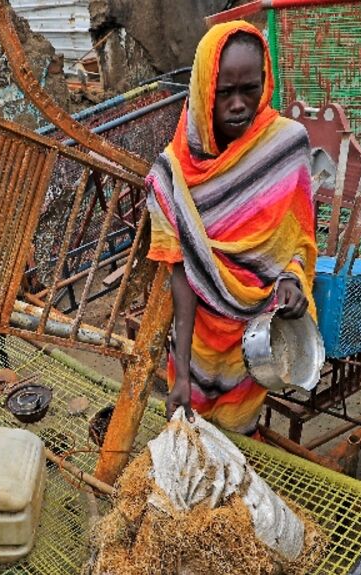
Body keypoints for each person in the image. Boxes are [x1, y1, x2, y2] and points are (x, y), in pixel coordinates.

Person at [145, 21, 317, 435]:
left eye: (250, 89)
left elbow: (299, 240)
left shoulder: (285, 147)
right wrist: (182, 372)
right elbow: (182, 274)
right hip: (199, 340)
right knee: (192, 435)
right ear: (204, 89)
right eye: (225, 93)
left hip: (257, 336)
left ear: (266, 81)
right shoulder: (172, 176)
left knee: (239, 438)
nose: (239, 104)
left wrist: (292, 280)